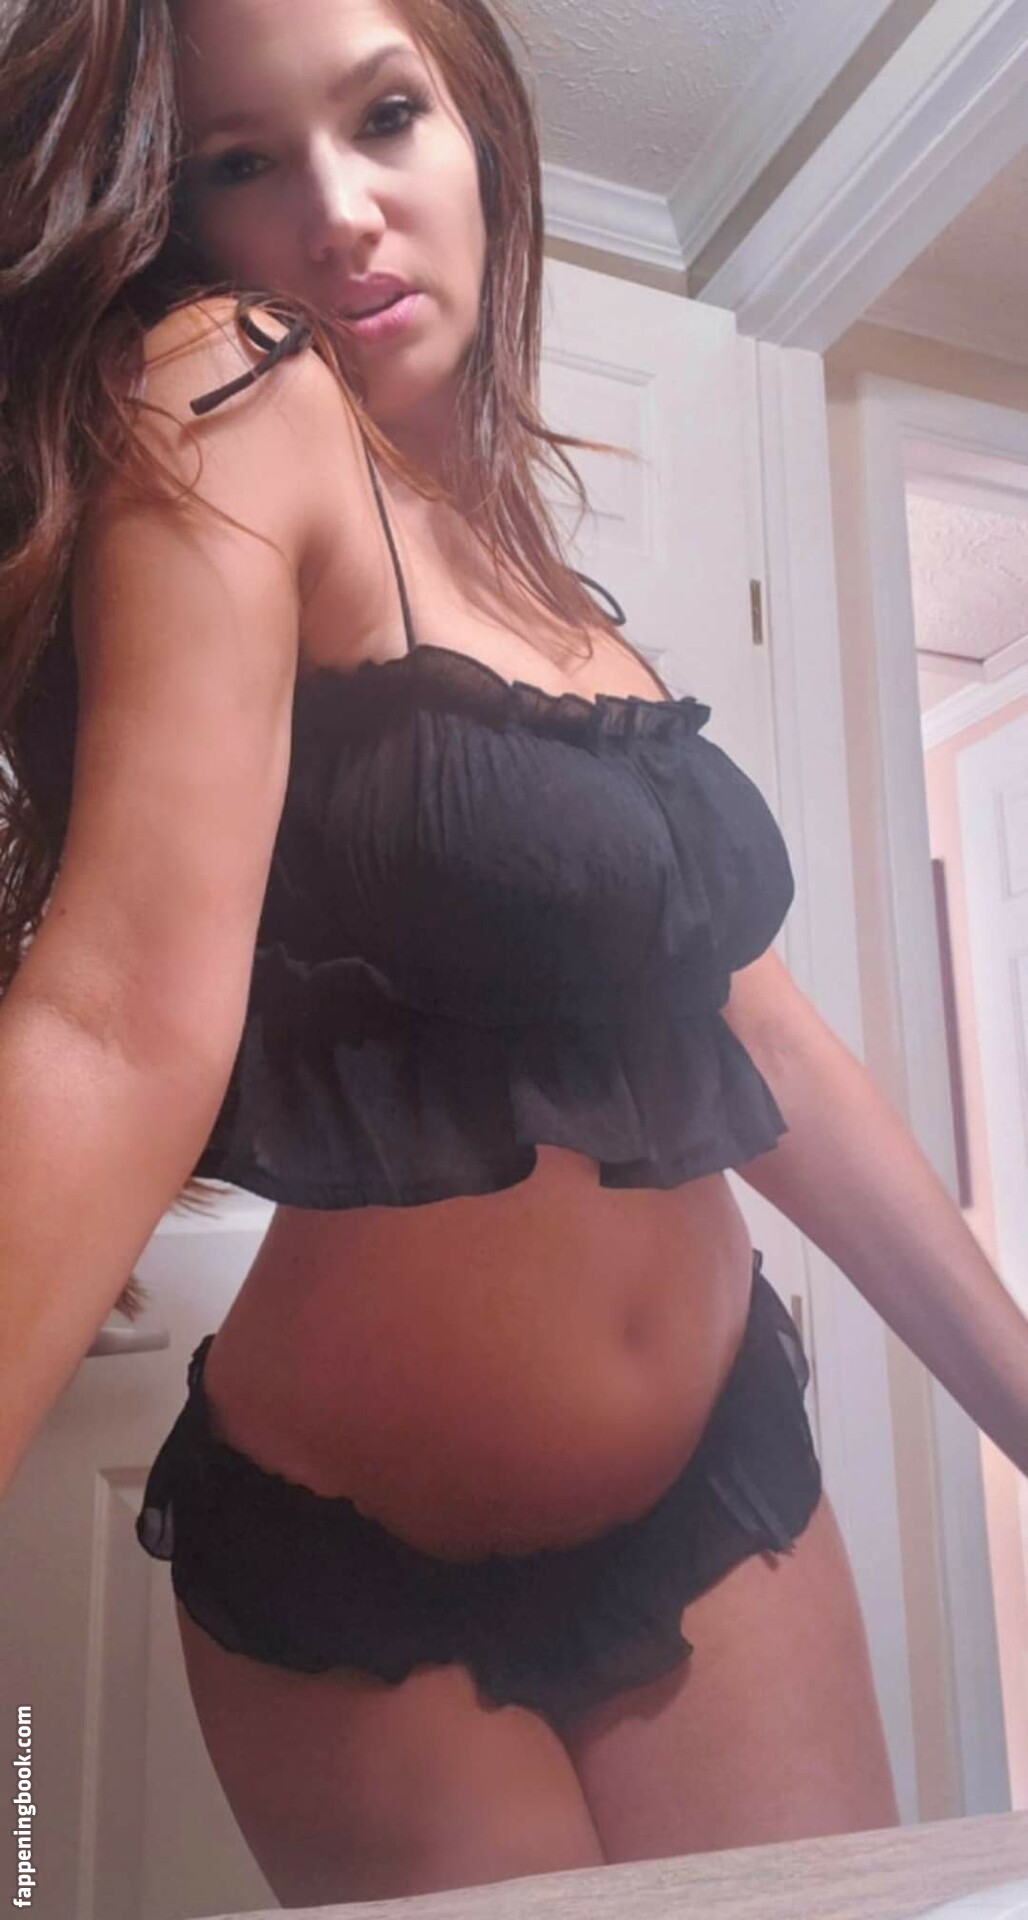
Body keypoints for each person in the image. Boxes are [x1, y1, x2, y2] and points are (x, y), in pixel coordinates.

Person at [2, 0, 1026, 1906]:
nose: (337, 210)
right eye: (242, 163)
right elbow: (120, 1019)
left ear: (479, 134)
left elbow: (769, 1042)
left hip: (726, 1485)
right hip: (360, 1587)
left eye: (387, 116)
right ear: (184, 217)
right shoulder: (235, 390)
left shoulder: (563, 593)